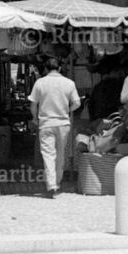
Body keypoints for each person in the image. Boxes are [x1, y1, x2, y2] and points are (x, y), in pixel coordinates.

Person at [29, 57, 81, 198]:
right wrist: (67, 110)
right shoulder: (69, 83)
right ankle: (57, 183)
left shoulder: (40, 83)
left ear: (46, 68)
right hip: (63, 123)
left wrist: (34, 118)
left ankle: (51, 185)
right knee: (60, 155)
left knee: (48, 155)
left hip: (46, 123)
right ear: (59, 68)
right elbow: (77, 103)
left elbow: (33, 104)